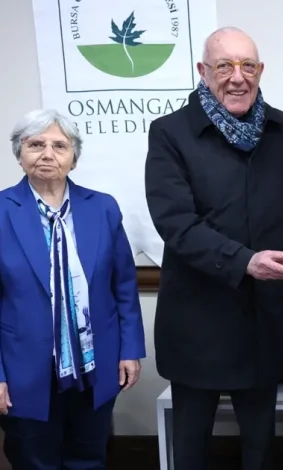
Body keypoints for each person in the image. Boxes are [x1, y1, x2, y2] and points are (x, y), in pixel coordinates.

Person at [144, 27, 283, 469]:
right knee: (192, 447)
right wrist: (245, 261)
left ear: (260, 71)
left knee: (261, 447)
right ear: (203, 71)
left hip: (264, 320)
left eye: (247, 66)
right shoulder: (170, 133)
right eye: (224, 66)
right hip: (196, 321)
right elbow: (176, 224)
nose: (238, 77)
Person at [0, 109, 146, 469]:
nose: (47, 154)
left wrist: (130, 349)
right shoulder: (2, 210)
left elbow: (124, 286)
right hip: (23, 369)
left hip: (94, 363)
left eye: (59, 146)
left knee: (89, 458)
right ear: (20, 154)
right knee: (34, 460)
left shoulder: (103, 208)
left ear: (74, 158)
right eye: (36, 145)